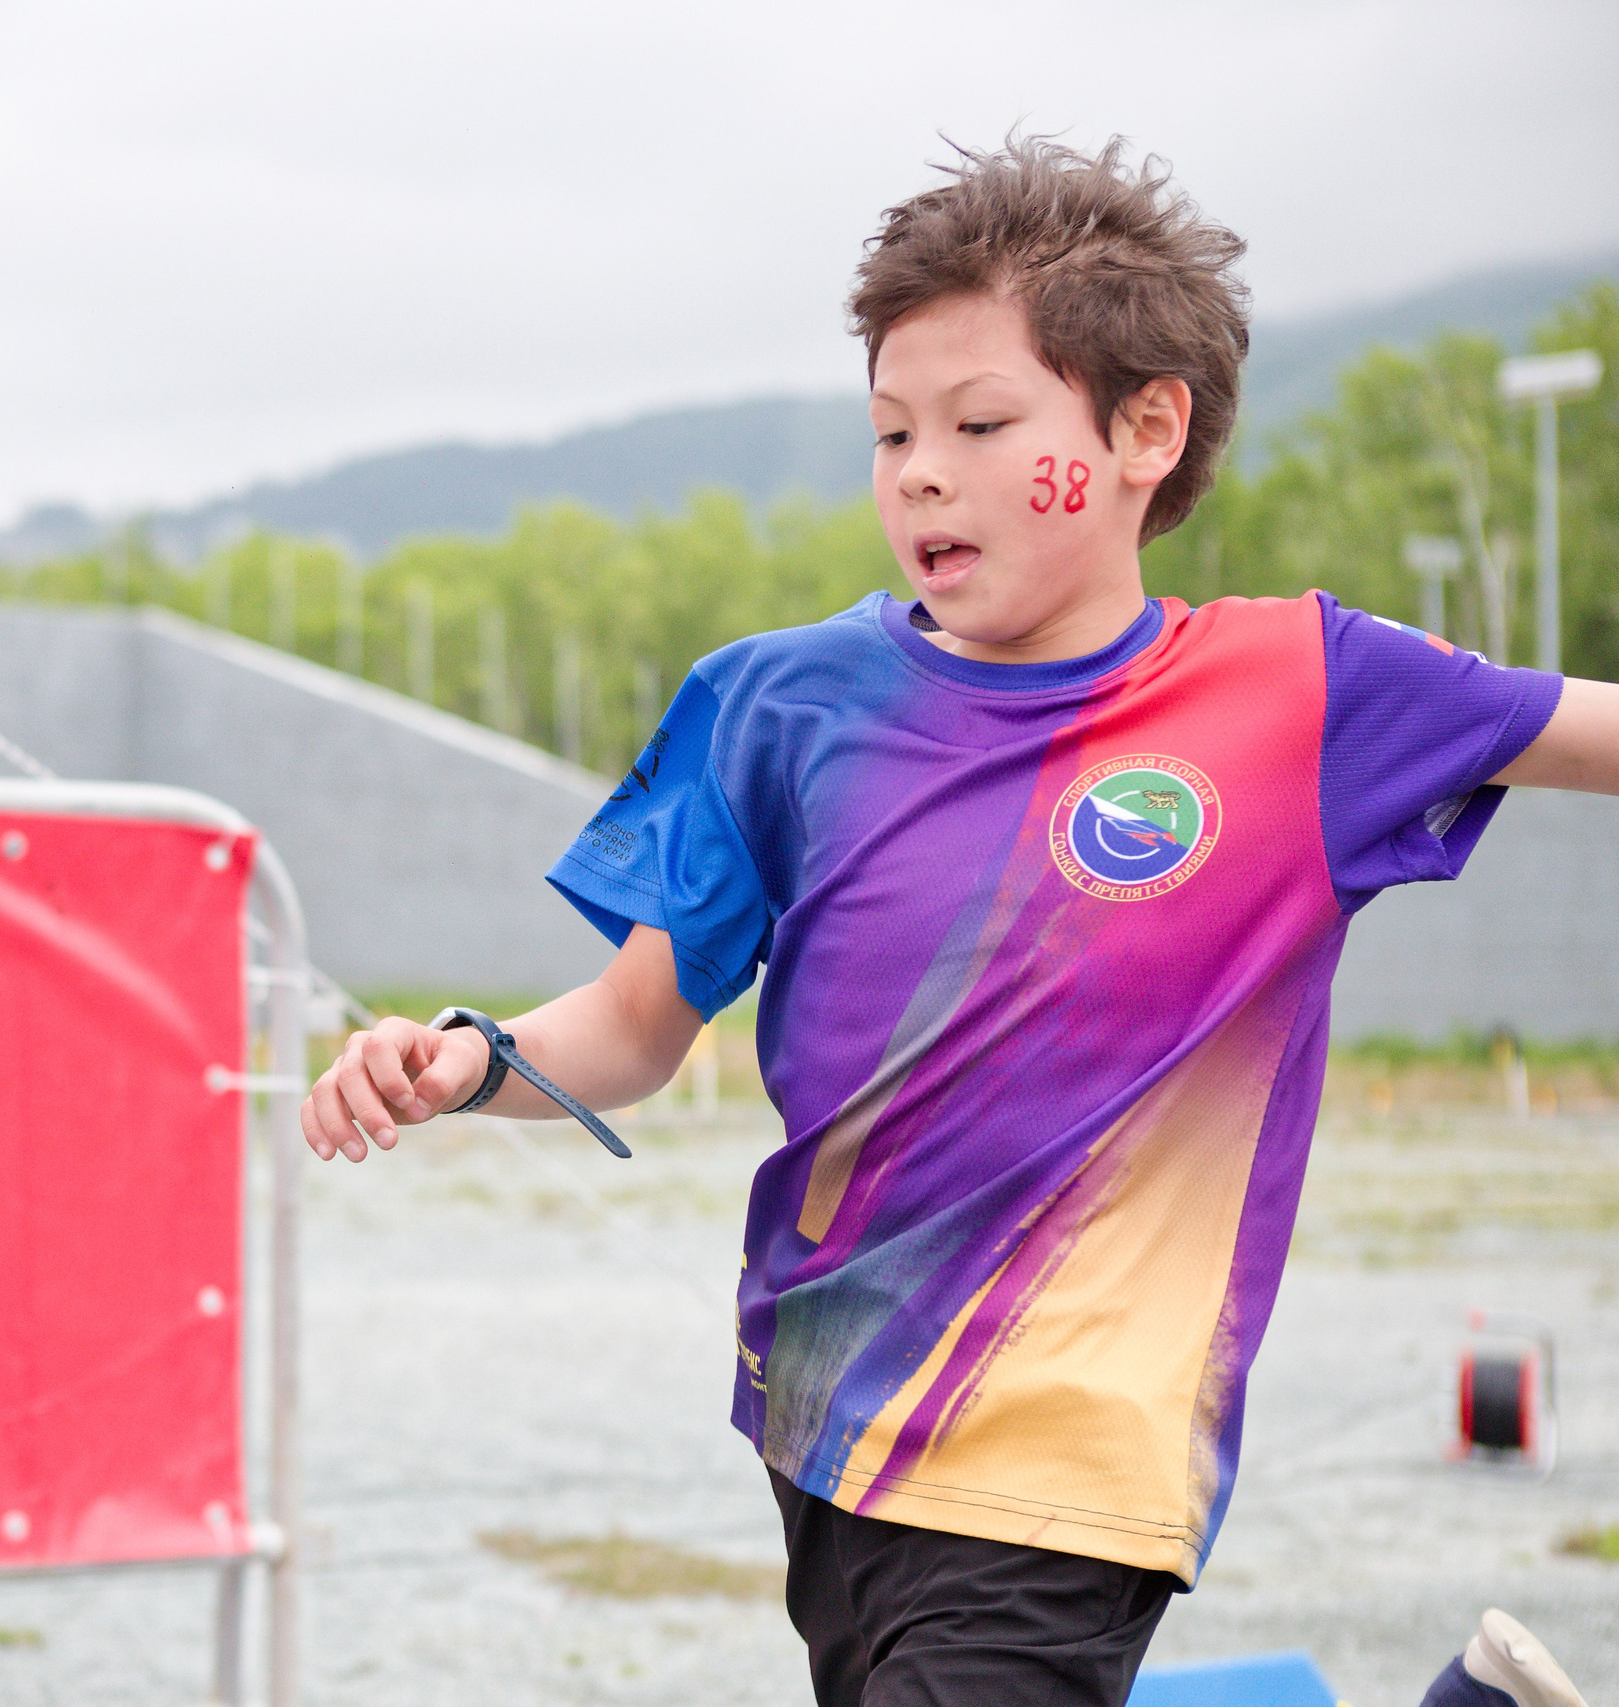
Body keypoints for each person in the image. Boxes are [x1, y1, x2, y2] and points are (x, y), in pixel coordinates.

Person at [300, 137, 1606, 1707]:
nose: (921, 469)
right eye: (890, 431)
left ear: (1145, 431)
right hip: (829, 1422)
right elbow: (640, 1025)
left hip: (1076, 1447)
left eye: (981, 425)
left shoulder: (1302, 694)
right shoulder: (776, 706)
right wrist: (469, 1058)